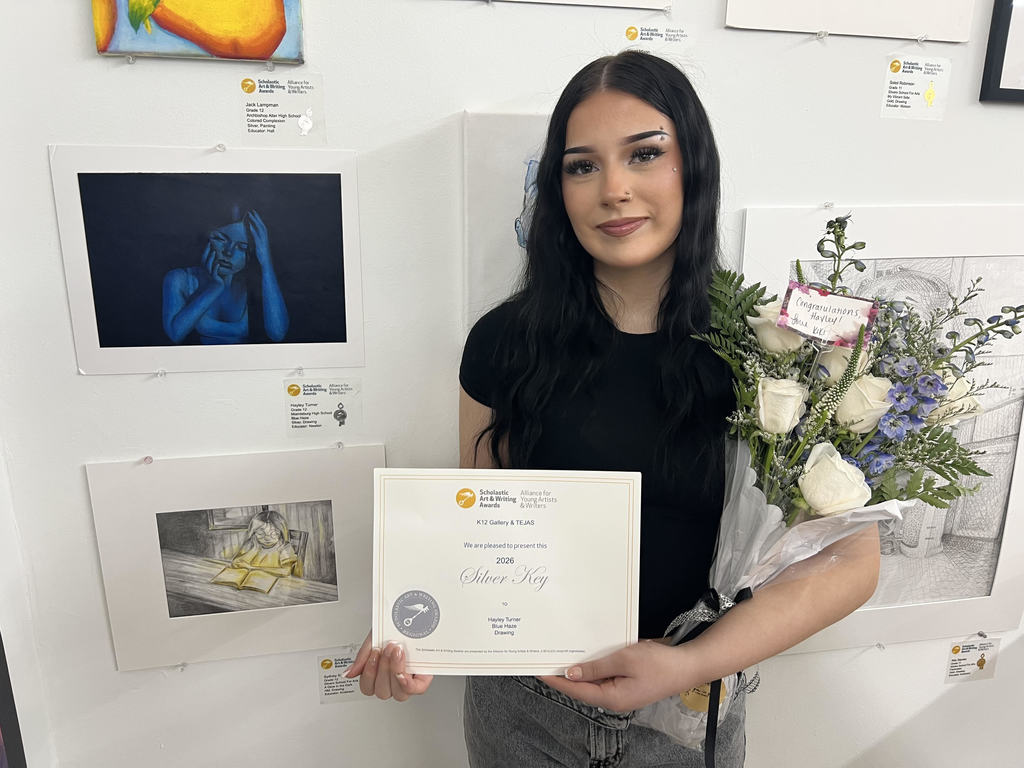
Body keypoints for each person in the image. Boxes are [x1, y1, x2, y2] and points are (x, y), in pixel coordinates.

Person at [346, 51, 881, 767]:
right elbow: (478, 533)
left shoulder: (774, 349)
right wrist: (429, 634)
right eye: (581, 166)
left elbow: (852, 561)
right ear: (557, 189)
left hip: (688, 714)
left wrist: (688, 665)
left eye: (645, 155)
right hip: (524, 712)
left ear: (694, 165)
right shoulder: (504, 342)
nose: (615, 190)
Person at [162, 209, 289, 344]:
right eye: (220, 239)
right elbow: (175, 334)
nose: (229, 252)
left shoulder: (256, 284)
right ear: (206, 237)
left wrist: (266, 262)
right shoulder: (180, 279)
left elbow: (278, 334)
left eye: (242, 247)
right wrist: (214, 288)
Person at [230, 507, 303, 578]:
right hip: (253, 580)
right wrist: (253, 550)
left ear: (281, 533)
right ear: (253, 533)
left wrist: (252, 568)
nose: (267, 537)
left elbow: (286, 572)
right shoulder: (252, 543)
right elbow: (235, 562)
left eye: (273, 533)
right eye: (261, 533)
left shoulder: (284, 547)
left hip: (276, 583)